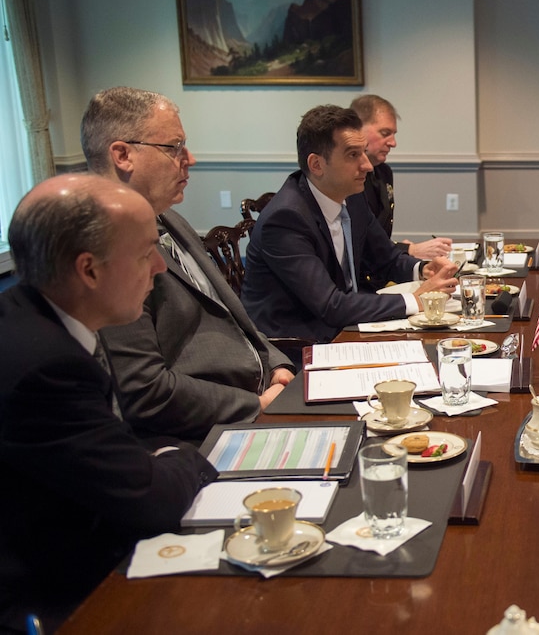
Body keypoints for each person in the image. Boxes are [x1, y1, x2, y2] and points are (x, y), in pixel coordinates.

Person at [0, 174, 217, 631]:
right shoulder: (46, 366)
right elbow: (151, 501)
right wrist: (185, 456)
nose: (159, 267)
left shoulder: (44, 317)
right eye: (144, 254)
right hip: (62, 595)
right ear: (89, 270)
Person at [82, 87, 294, 440]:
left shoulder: (170, 218)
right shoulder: (102, 249)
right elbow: (144, 391)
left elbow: (233, 314)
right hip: (200, 437)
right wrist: (255, 405)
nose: (190, 158)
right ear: (122, 155)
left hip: (262, 398)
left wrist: (275, 363)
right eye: (173, 147)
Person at [241, 104, 460, 343]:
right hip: (301, 345)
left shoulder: (352, 198)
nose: (366, 165)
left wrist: (422, 269)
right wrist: (417, 299)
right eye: (353, 155)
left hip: (348, 326)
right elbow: (331, 305)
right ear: (316, 164)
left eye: (364, 152)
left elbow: (387, 259)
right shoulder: (285, 219)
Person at [349, 94, 453, 259]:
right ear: (357, 128)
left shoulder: (383, 172)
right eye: (385, 133)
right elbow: (359, 243)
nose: (393, 143)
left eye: (393, 134)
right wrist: (407, 250)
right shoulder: (347, 178)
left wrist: (399, 248)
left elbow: (378, 235)